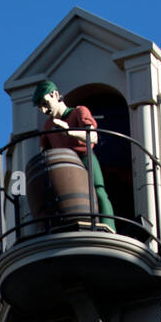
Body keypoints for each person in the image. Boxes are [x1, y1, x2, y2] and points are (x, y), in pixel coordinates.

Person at [32, 80, 115, 231]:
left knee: (98, 191)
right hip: (63, 166)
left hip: (84, 157)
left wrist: (69, 131)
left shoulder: (79, 112)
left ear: (55, 94)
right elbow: (44, 153)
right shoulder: (47, 127)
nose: (44, 110)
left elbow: (93, 137)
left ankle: (108, 226)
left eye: (45, 103)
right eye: (40, 107)